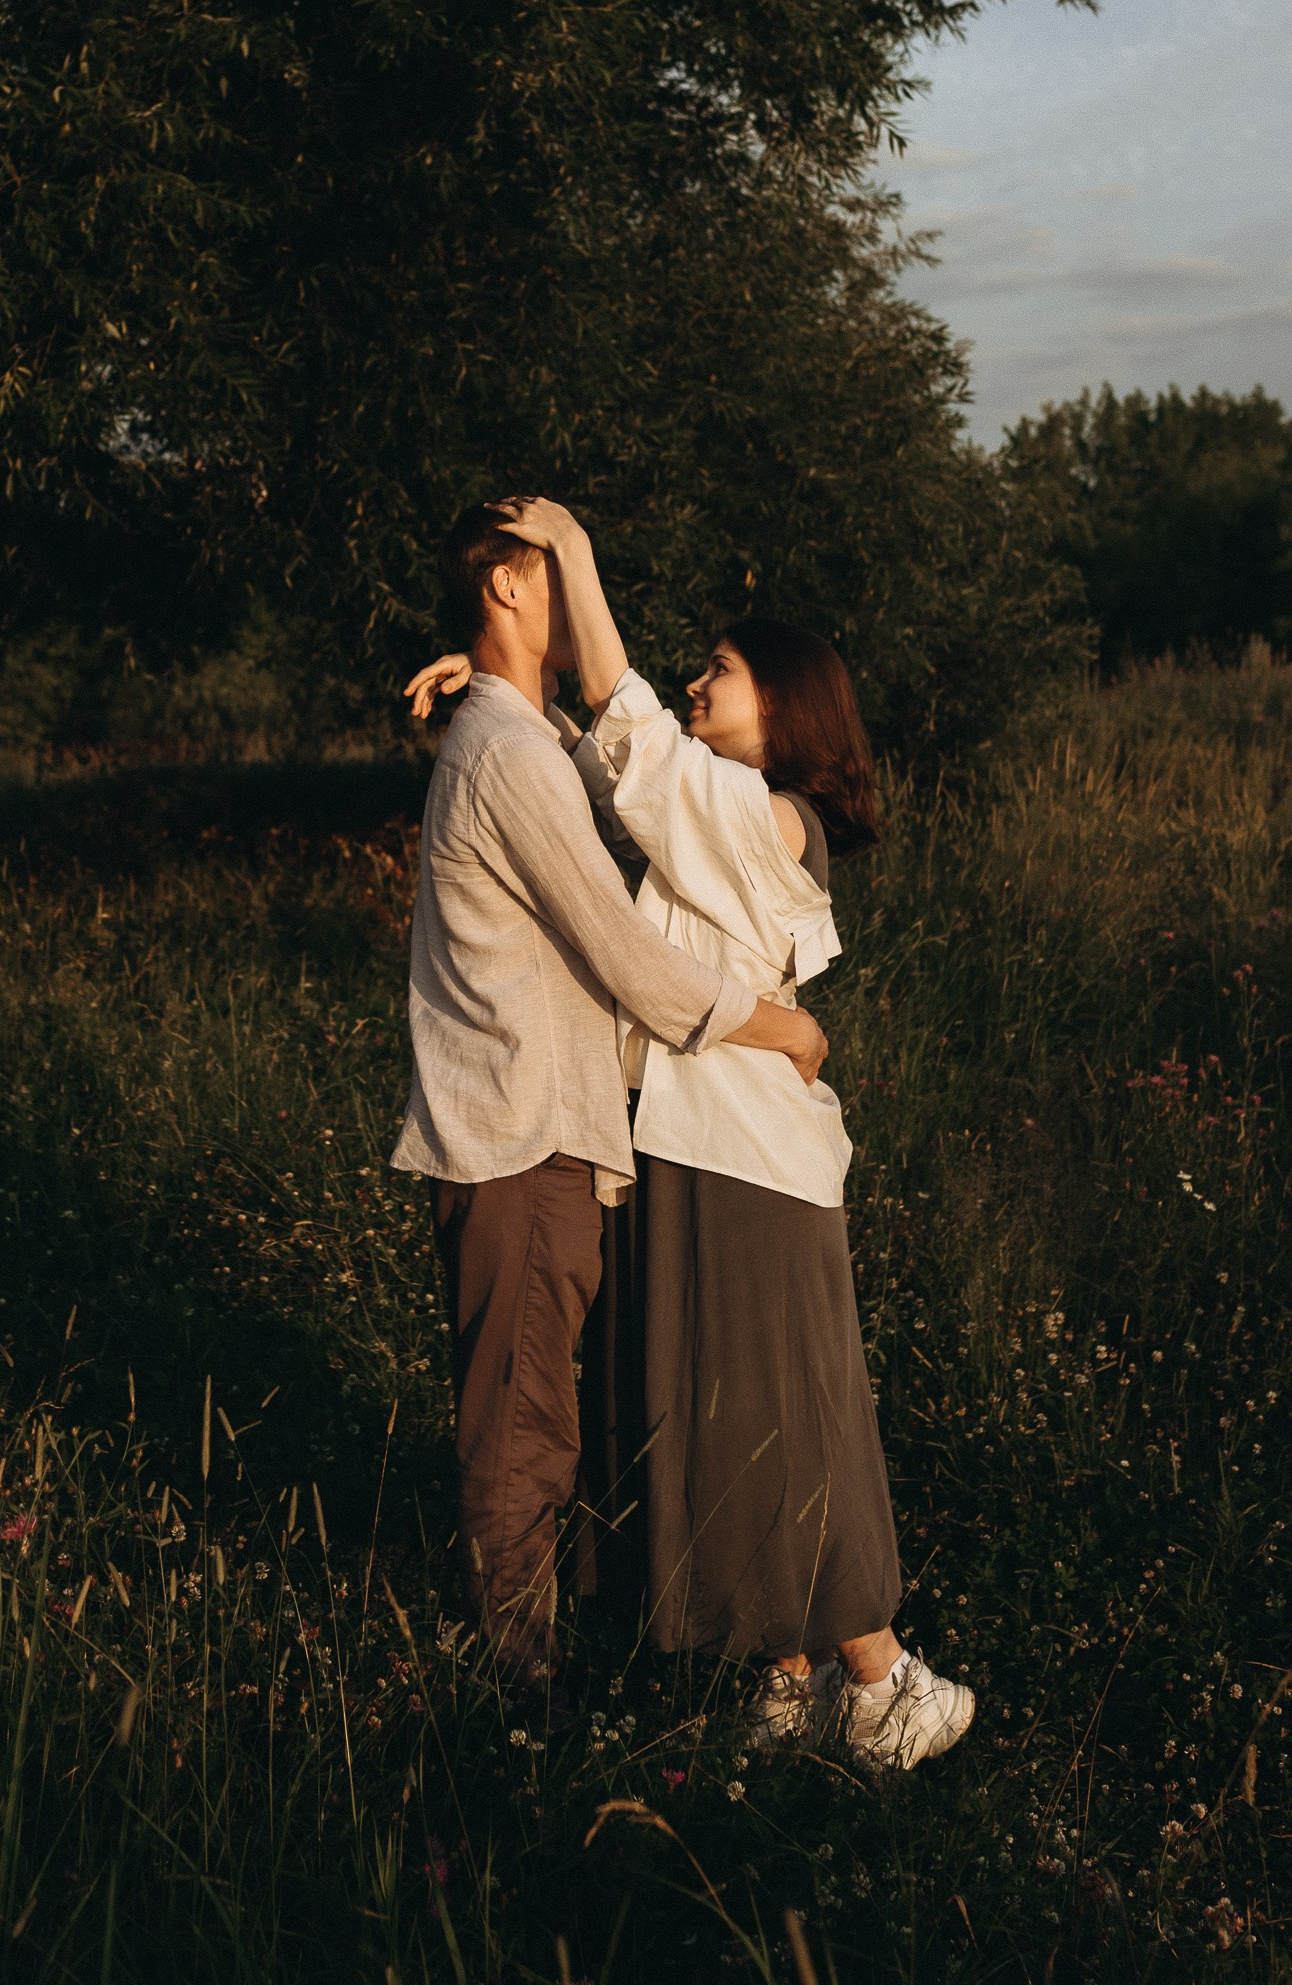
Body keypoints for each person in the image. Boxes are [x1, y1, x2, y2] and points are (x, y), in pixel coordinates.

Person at [406, 501, 974, 1771]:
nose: (696, 680)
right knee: (715, 1414)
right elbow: (607, 791)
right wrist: (506, 700)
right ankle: (786, 1678)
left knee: (782, 1405)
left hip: (745, 1145)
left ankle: (884, 1678)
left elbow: (647, 770)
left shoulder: (773, 817)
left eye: (720, 669)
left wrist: (573, 560)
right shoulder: (719, 809)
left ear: (786, 709)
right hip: (684, 1139)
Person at [393, 502, 829, 1715]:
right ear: (507, 589)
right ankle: (518, 1695)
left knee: (528, 1404)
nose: (571, 603)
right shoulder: (508, 750)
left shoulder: (505, 739)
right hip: (523, 1132)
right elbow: (627, 955)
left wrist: (501, 696)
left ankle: (528, 1663)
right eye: (549, 572)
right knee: (524, 1422)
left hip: (519, 1126)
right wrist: (783, 1026)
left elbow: (582, 786)